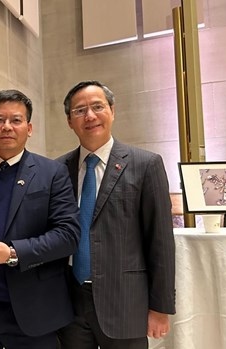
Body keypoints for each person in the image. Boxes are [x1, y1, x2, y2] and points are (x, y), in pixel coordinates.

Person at [0, 89, 81, 349]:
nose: (6, 127)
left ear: (29, 128)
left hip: (35, 311)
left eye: (16, 120)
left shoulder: (53, 173)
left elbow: (68, 235)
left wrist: (12, 253)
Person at [56, 80, 176, 349]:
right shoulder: (58, 170)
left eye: (97, 107)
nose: (90, 116)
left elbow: (161, 242)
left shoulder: (146, 165)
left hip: (124, 302)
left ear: (112, 111)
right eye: (79, 110)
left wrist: (160, 307)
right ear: (69, 121)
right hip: (69, 303)